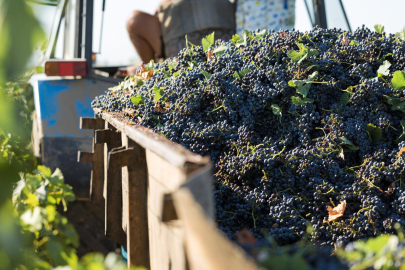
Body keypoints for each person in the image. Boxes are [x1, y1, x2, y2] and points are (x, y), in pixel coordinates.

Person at [126, 0, 236, 75]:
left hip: (181, 60)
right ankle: (149, 70)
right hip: (223, 55)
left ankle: (151, 73)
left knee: (134, 20)